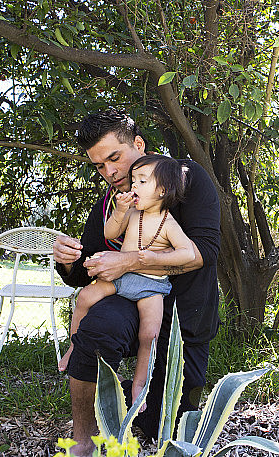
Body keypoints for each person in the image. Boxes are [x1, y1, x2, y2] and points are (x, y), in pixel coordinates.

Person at [53, 110, 220, 457]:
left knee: (167, 425)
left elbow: (204, 252)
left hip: (185, 315)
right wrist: (67, 261)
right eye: (99, 166)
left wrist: (129, 260)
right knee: (96, 329)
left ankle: (125, 394)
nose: (109, 172)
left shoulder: (187, 177)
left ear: (139, 145)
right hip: (128, 302)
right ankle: (82, 439)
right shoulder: (110, 204)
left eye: (115, 158)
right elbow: (86, 270)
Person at [58, 154, 196, 411]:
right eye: (133, 181)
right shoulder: (132, 212)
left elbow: (188, 253)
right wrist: (119, 211)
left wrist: (154, 258)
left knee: (149, 334)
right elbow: (109, 233)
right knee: (84, 297)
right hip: (121, 277)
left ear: (162, 190)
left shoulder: (169, 223)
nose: (134, 186)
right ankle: (74, 347)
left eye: (142, 181)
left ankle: (139, 385)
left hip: (151, 286)